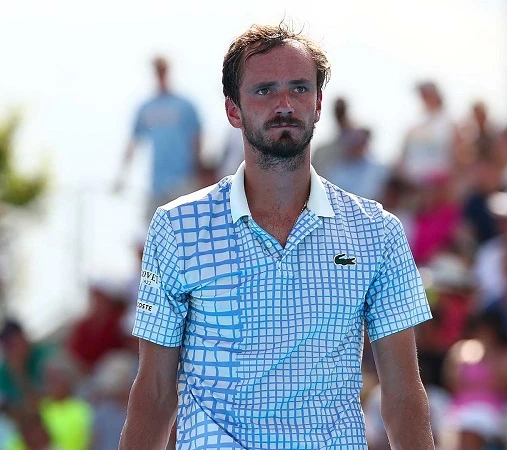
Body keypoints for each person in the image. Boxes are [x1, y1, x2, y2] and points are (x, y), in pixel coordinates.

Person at [119, 23, 434, 450]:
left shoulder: (378, 231)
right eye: (264, 90)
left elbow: (402, 395)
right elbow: (154, 394)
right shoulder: (176, 227)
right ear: (233, 110)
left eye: (299, 88)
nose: (284, 104)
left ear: (318, 104)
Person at [115, 56, 205, 218]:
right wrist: (122, 176)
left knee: (186, 224)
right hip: (156, 184)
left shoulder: (184, 105)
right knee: (151, 225)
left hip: (183, 180)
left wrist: (197, 173)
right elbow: (134, 142)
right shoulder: (147, 107)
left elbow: (197, 138)